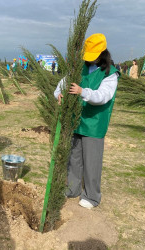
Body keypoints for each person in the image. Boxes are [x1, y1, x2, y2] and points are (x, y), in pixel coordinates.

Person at [54, 33, 120, 209]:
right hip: (77, 120)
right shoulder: (79, 68)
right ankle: (72, 188)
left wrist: (83, 91)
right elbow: (61, 85)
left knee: (92, 160)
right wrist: (58, 94)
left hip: (95, 122)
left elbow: (103, 96)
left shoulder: (110, 74)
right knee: (73, 158)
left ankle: (92, 196)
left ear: (102, 53)